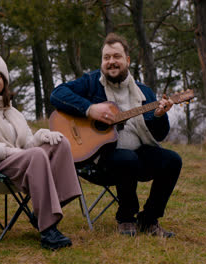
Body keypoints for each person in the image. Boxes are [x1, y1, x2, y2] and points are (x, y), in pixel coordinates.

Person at [50, 33, 182, 238]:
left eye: (116, 56)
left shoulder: (144, 93)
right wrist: (89, 109)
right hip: (99, 162)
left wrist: (158, 115)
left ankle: (149, 220)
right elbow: (57, 94)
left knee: (172, 160)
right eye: (106, 57)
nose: (111, 62)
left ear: (127, 60)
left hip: (139, 158)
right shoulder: (92, 83)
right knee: (126, 158)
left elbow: (160, 135)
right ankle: (126, 217)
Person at [0, 53, 82, 250]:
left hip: (21, 162)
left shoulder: (12, 111)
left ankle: (45, 210)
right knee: (38, 155)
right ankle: (48, 231)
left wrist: (41, 136)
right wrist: (5, 151)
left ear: (5, 81)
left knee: (60, 143)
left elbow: (25, 146)